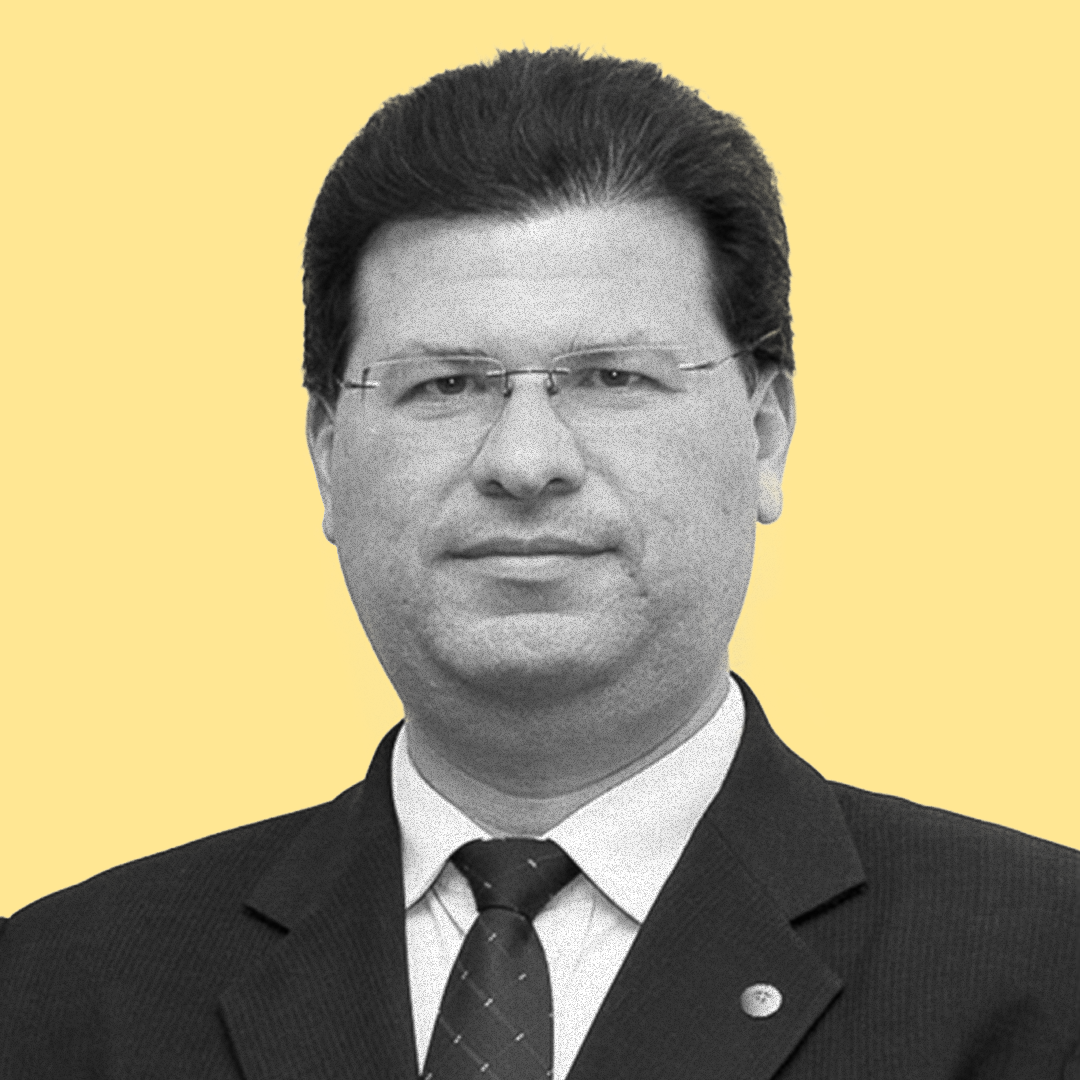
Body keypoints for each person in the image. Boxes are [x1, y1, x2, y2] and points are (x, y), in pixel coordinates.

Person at [1, 47, 1077, 1080]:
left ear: (764, 433)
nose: (524, 462)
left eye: (611, 377)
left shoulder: (1043, 973)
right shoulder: (57, 994)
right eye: (445, 385)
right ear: (328, 453)